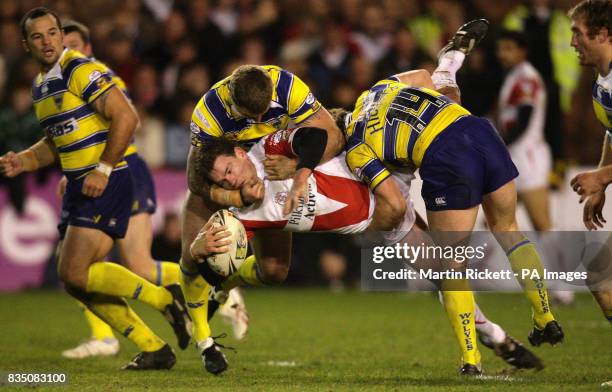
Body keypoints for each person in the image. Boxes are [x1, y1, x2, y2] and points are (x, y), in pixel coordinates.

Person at [191, 127, 544, 374]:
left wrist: (300, 172)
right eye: (223, 181)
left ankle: (449, 64)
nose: (232, 179)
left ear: (239, 153)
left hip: (379, 166)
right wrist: (198, 248)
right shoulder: (242, 215)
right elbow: (214, 257)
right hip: (389, 221)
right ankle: (497, 338)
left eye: (230, 169)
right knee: (444, 275)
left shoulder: (269, 150)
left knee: (429, 95)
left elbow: (316, 135)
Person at [331, 19, 564, 350]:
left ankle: (470, 358)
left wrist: (375, 228)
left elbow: (392, 199)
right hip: (477, 128)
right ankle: (546, 317)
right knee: (510, 229)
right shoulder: (378, 88)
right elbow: (423, 78)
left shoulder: (354, 146)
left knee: (451, 259)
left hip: (444, 152)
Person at [0, 7, 190, 370]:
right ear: (26, 45)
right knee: (74, 281)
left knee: (73, 271)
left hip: (107, 179)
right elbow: (56, 141)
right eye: (38, 36)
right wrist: (23, 160)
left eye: (52, 32)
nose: (47, 41)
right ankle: (153, 347)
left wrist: (103, 168)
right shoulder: (41, 85)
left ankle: (164, 299)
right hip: (77, 184)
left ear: (60, 33)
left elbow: (127, 116)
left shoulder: (81, 70)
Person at [181, 63, 343, 373]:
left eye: (263, 113)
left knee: (273, 272)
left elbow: (331, 135)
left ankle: (225, 287)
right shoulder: (209, 113)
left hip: (271, 180)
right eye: (248, 116)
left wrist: (297, 167)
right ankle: (204, 342)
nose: (257, 121)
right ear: (231, 98)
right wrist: (233, 198)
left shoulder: (288, 88)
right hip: (222, 184)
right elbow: (194, 178)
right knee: (192, 257)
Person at [567, 0, 612, 325]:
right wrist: (602, 180)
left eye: (577, 33)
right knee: (600, 274)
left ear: (603, 34)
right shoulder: (602, 82)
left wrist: (603, 176)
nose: (572, 42)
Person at [496, 30, 552, 232]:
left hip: (529, 156)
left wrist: (496, 144)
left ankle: (560, 264)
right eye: (501, 49)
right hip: (514, 155)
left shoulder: (526, 78)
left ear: (523, 51)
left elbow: (524, 120)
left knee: (541, 224)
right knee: (497, 221)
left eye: (509, 49)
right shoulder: (513, 76)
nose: (502, 54)